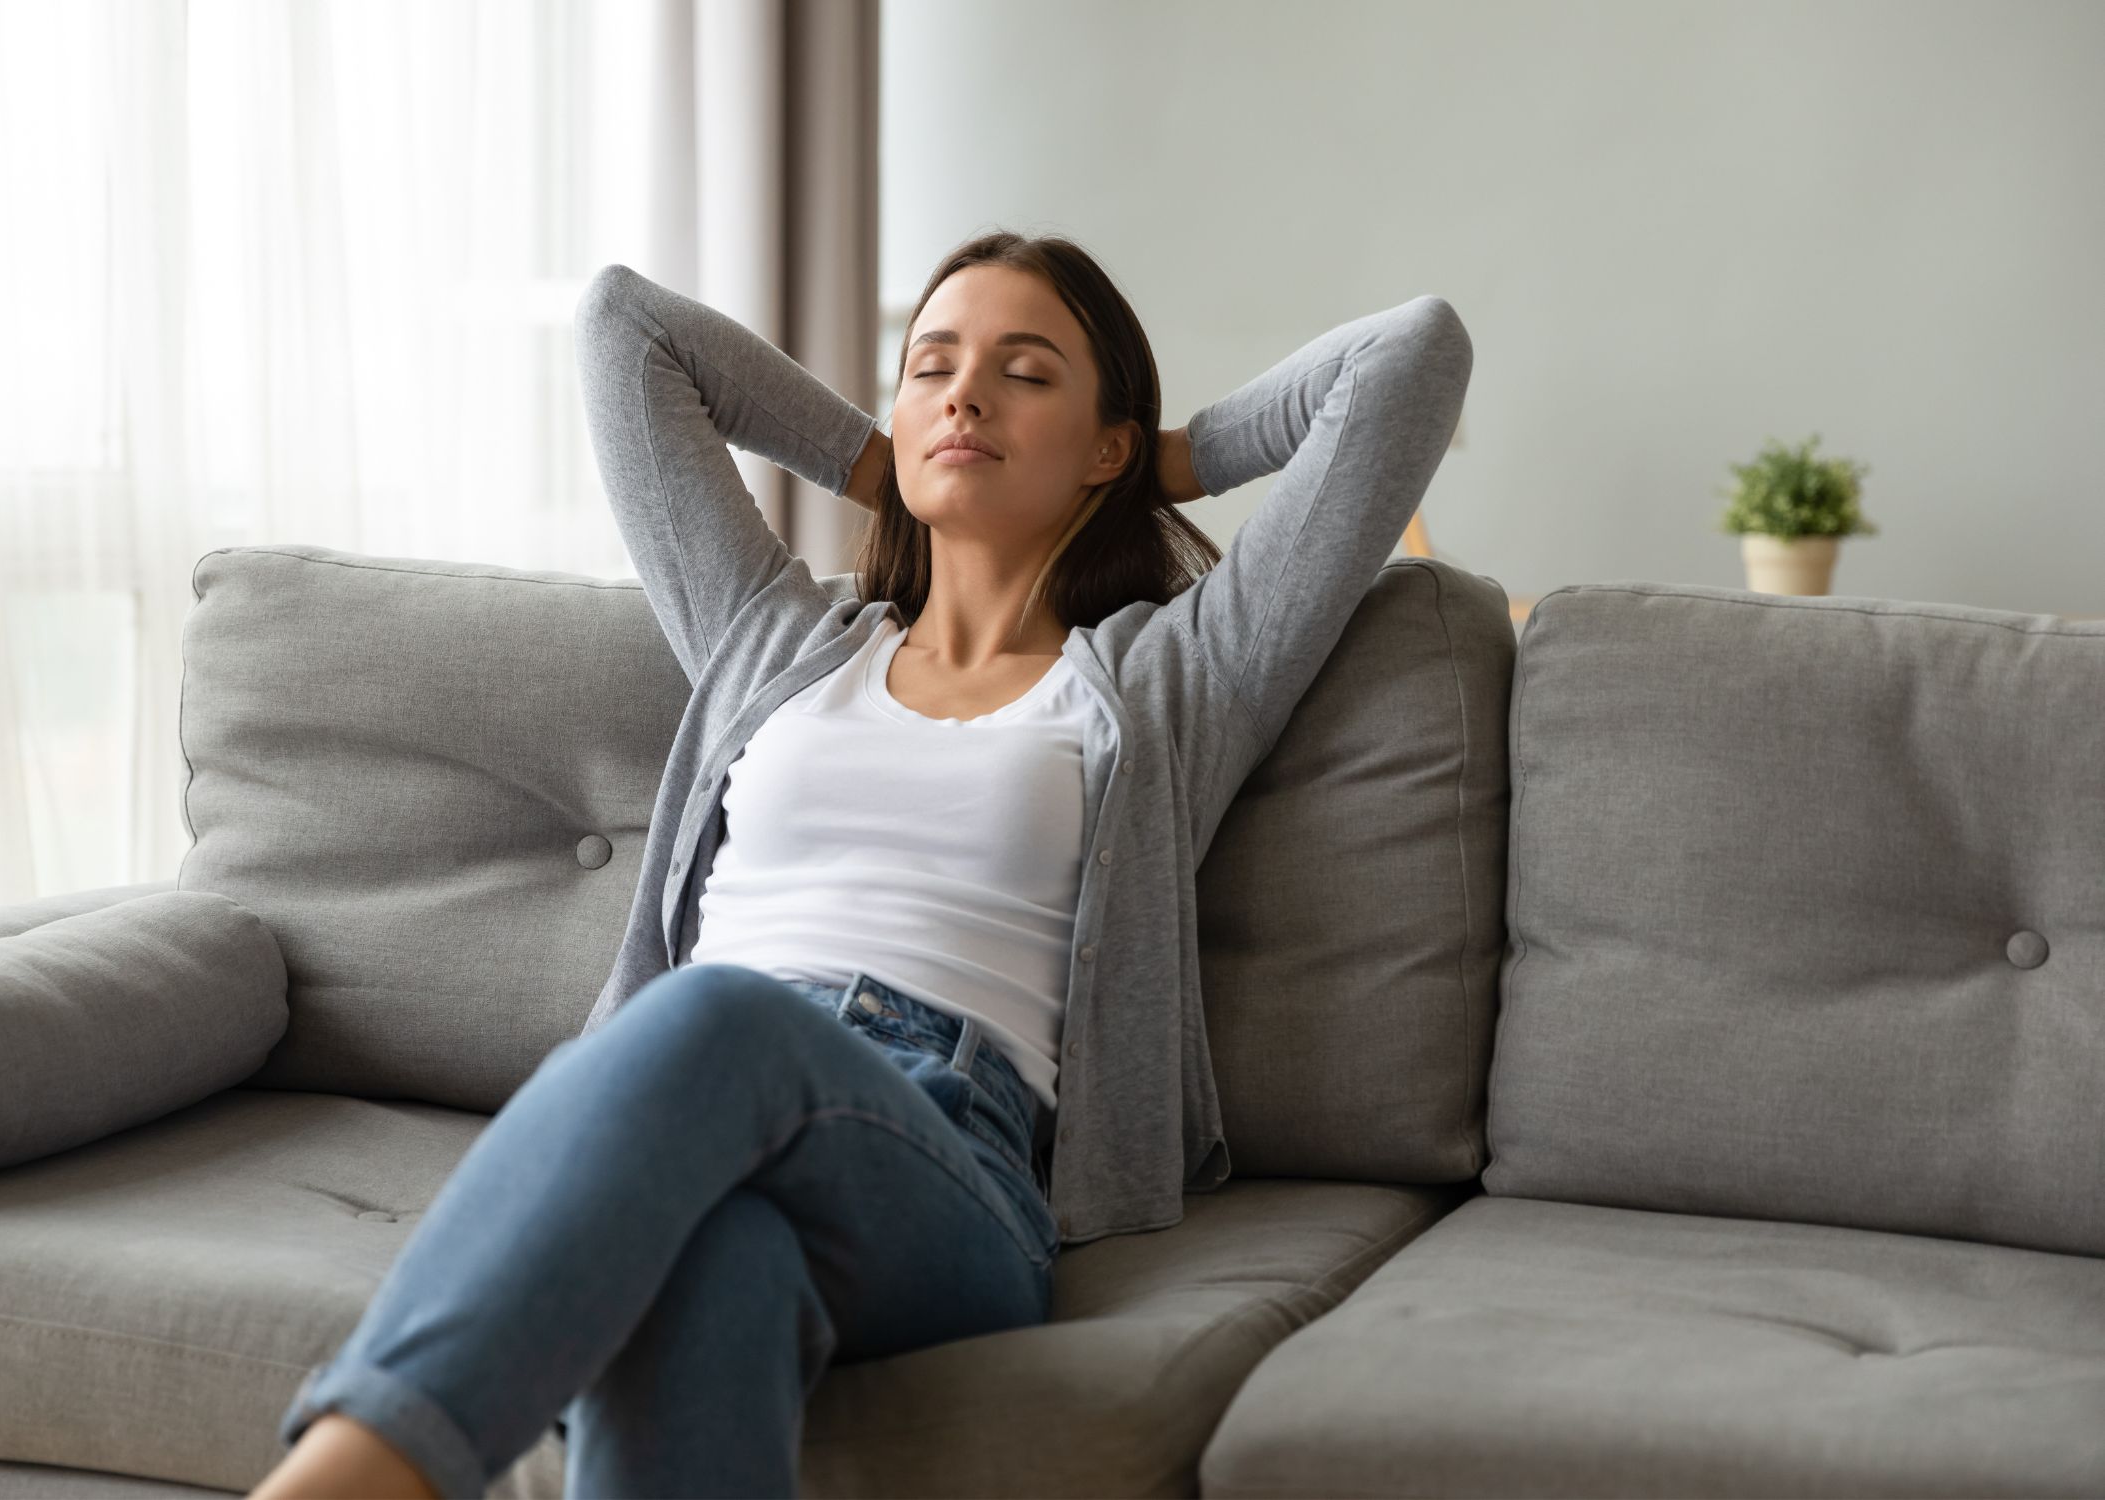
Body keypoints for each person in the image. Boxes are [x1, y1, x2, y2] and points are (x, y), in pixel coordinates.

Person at [250, 229, 1471, 1499]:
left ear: (1105, 445)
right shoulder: (771, 640)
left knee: (716, 1017)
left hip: (945, 1148)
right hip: (701, 1102)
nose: (966, 395)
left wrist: (1162, 464)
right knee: (718, 1263)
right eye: (932, 367)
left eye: (1026, 374)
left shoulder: (1171, 679)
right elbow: (625, 328)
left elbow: (1409, 357)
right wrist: (882, 460)